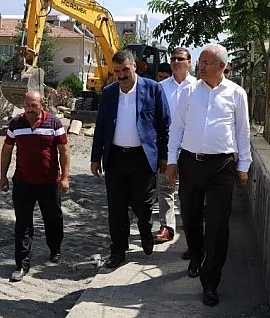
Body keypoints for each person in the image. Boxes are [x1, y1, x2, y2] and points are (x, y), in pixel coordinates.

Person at [165, 44, 251, 307]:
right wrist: (171, 160)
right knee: (190, 218)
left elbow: (242, 132)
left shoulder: (237, 94)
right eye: (199, 62)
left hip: (222, 167)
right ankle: (196, 254)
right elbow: (177, 127)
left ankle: (210, 281)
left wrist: (244, 166)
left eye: (206, 63)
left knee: (217, 225)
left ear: (222, 66)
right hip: (190, 163)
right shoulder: (189, 92)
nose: (199, 67)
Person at [90, 50, 170, 269]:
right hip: (115, 158)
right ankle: (118, 251)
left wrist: (164, 156)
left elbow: (164, 125)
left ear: (134, 66)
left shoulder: (153, 89)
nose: (122, 75)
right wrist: (95, 157)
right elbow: (102, 127)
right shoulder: (108, 92)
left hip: (142, 159)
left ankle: (145, 229)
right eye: (117, 71)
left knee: (143, 205)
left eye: (125, 69)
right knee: (116, 208)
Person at [0, 91, 70, 282]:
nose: (30, 109)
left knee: (53, 219)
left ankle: (55, 248)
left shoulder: (54, 123)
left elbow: (64, 151)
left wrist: (65, 177)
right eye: (27, 105)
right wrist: (3, 176)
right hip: (23, 182)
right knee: (22, 224)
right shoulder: (16, 123)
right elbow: (7, 150)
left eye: (34, 105)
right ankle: (21, 264)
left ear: (42, 104)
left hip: (49, 183)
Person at [154, 47, 196, 247]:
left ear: (189, 61)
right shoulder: (161, 87)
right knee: (165, 187)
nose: (176, 62)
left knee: (188, 192)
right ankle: (167, 227)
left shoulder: (198, 86)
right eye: (173, 58)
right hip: (167, 145)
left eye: (180, 58)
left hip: (191, 145)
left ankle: (191, 231)